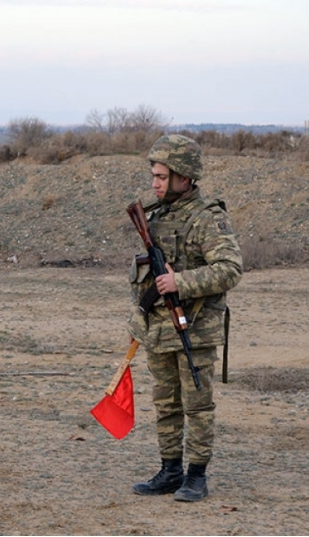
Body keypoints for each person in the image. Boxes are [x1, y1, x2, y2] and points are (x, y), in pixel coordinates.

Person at [127, 134, 243, 502]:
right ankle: (169, 469)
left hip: (194, 330)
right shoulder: (156, 215)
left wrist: (181, 281)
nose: (155, 183)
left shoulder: (207, 218)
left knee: (198, 405)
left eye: (161, 177)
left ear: (184, 177)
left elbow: (230, 269)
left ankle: (196, 476)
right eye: (154, 176)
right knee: (165, 403)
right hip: (158, 329)